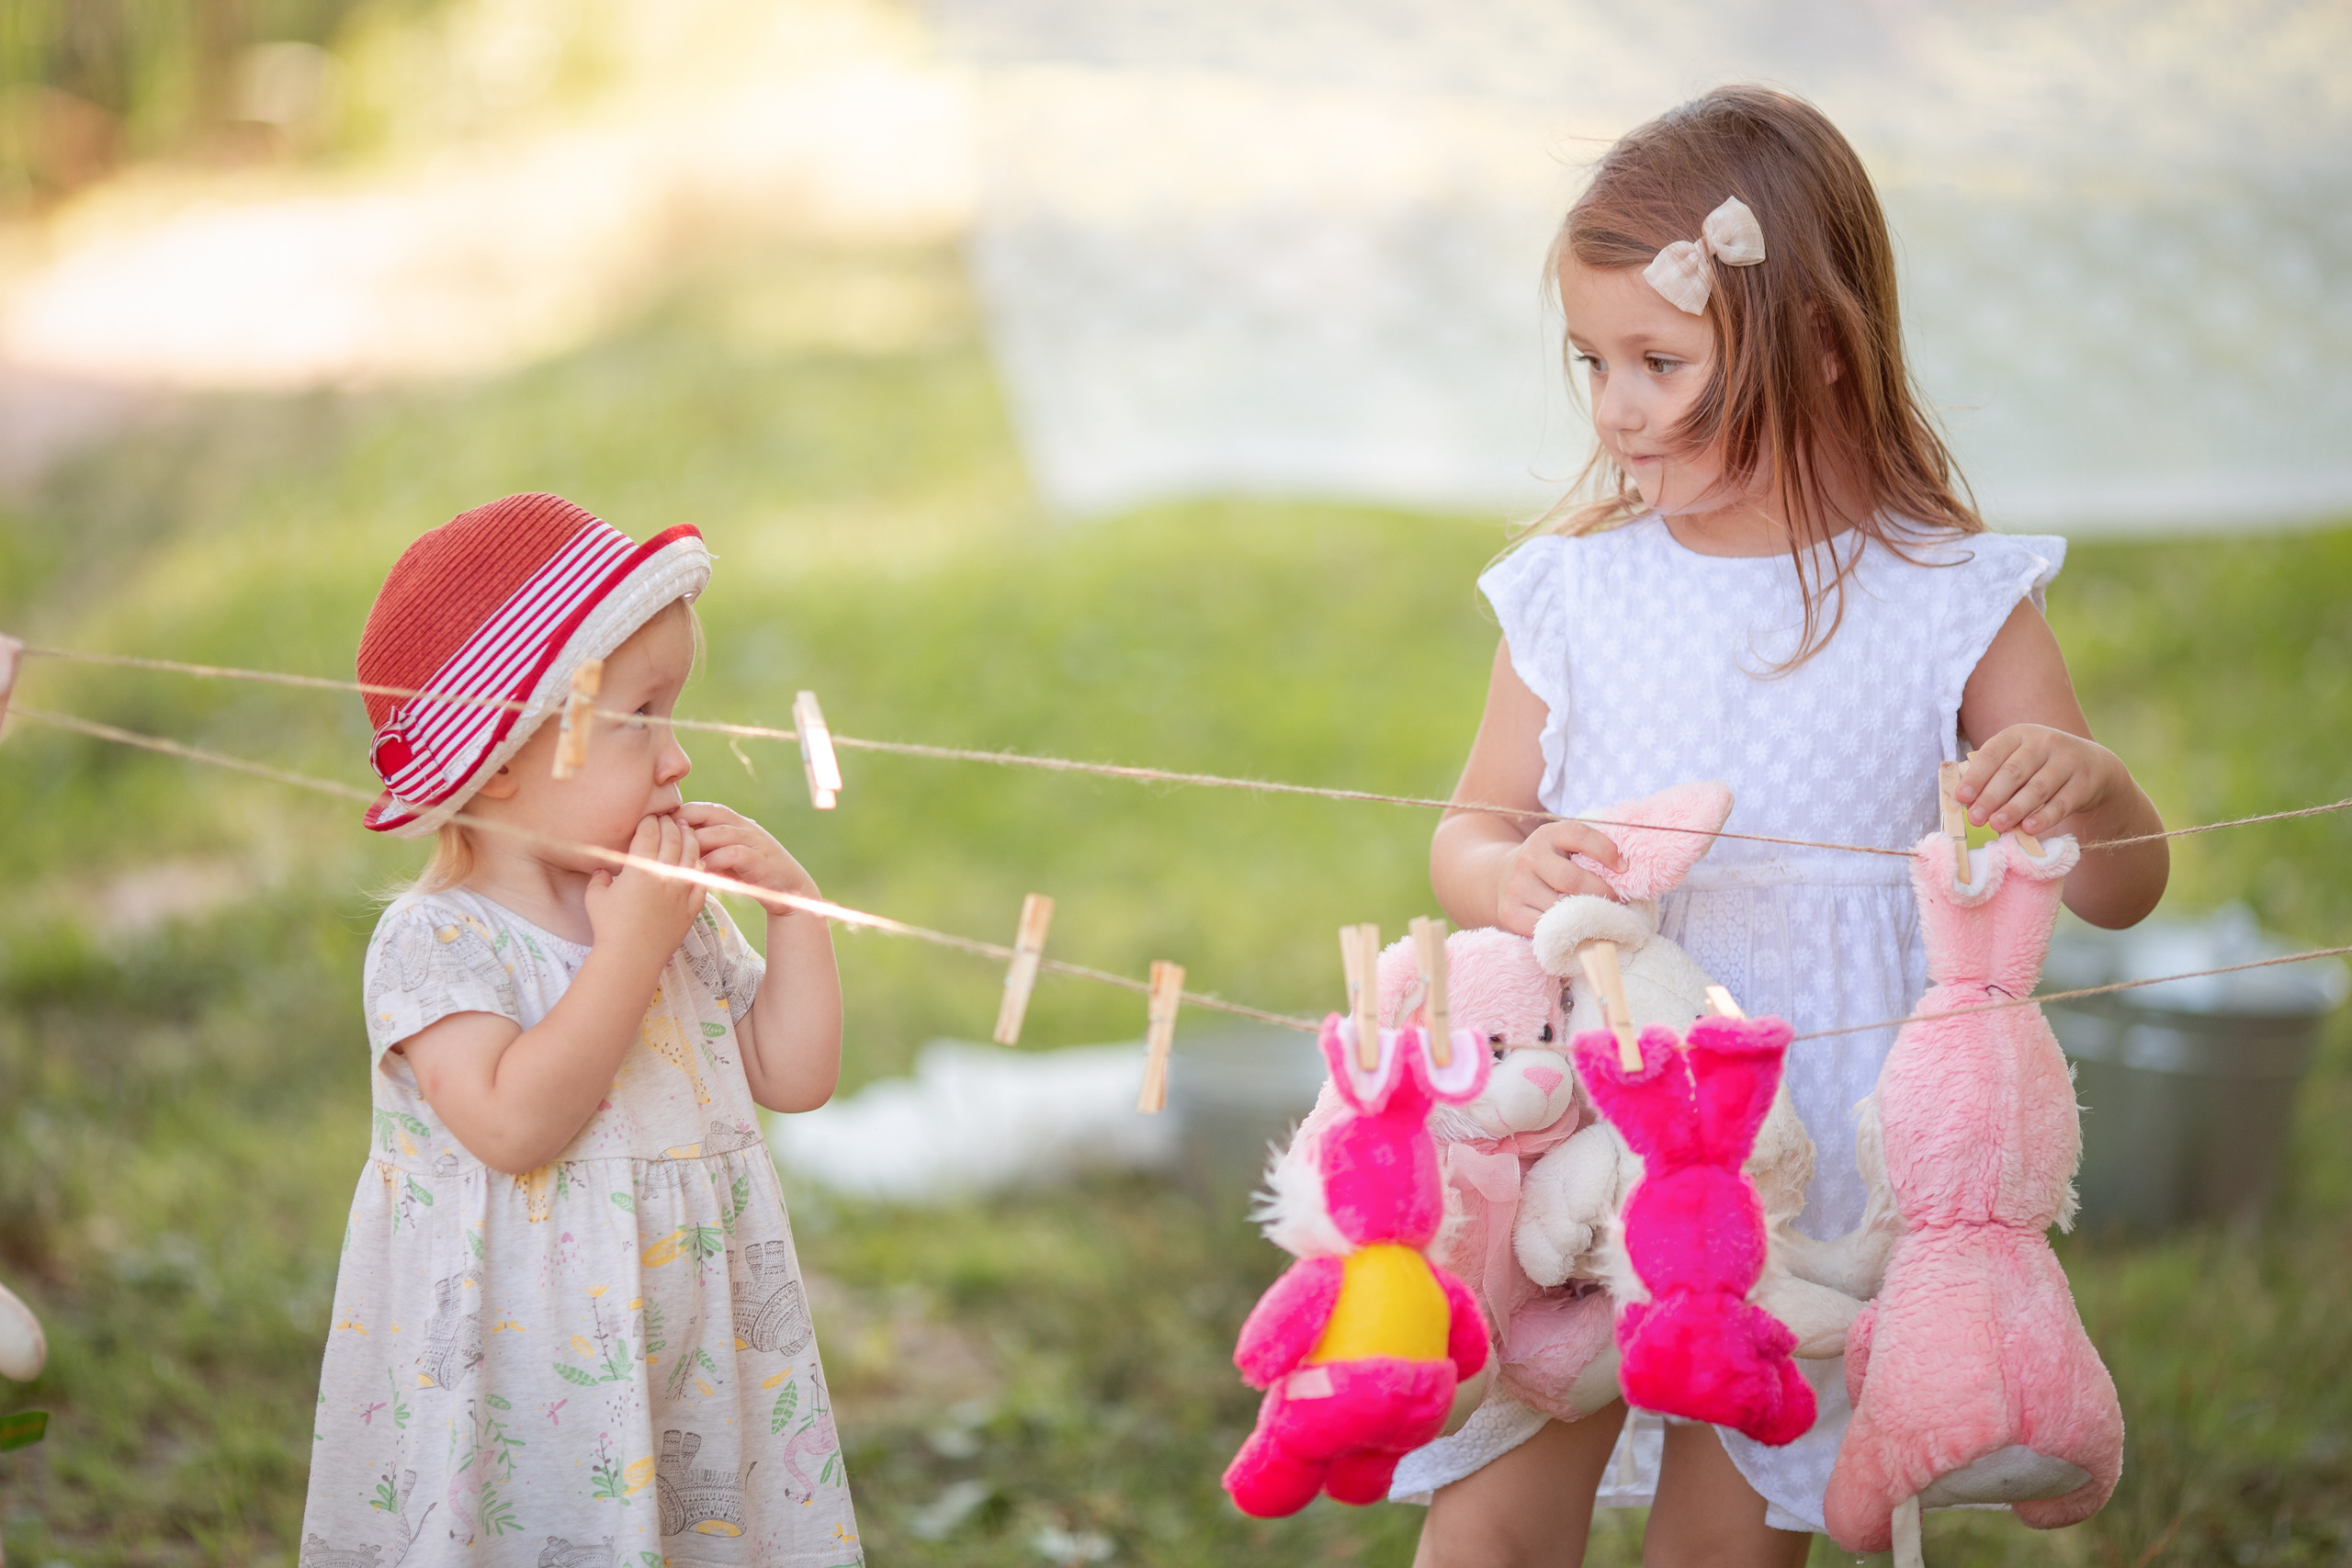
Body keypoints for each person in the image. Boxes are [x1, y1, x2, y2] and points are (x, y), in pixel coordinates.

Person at [1416, 86, 2168, 1566]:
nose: (1615, 406)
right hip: (1592, 1107)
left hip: (1810, 1145)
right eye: (1594, 363)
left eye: (1659, 360)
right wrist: (1512, 871)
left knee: (1733, 1524)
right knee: (1490, 1514)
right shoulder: (1574, 594)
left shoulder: (1946, 593)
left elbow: (2127, 891)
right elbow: (1467, 828)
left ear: (1816, 345)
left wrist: (2090, 782)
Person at [300, 492, 862, 1566]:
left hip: (691, 1343)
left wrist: (795, 914)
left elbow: (791, 1074)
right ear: (499, 759)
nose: (676, 760)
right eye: (637, 720)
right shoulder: (438, 945)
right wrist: (627, 953)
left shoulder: (658, 908)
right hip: (527, 1372)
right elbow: (515, 1127)